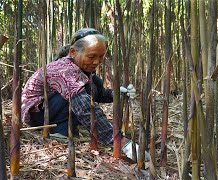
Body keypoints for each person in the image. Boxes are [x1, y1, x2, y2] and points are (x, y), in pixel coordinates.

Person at [21, 28, 144, 160]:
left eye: (101, 57)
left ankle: (61, 131)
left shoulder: (84, 71)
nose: (96, 62)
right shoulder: (63, 70)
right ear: (73, 52)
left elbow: (99, 94)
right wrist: (120, 141)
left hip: (53, 110)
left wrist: (118, 94)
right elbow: (84, 106)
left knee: (92, 84)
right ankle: (57, 132)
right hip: (37, 115)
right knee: (79, 96)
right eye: (91, 57)